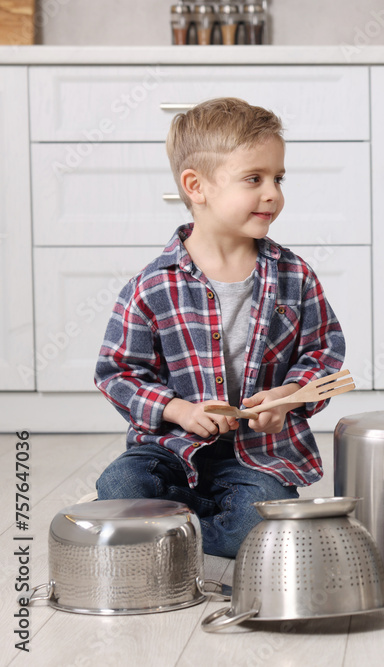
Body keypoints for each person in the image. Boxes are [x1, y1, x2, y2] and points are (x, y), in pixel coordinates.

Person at [94, 97, 346, 558]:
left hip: (257, 454)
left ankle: (171, 538)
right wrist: (178, 410)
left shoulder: (295, 276)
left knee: (256, 523)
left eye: (278, 178)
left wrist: (287, 398)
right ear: (196, 186)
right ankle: (181, 527)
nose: (273, 193)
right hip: (169, 448)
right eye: (254, 179)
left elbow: (323, 354)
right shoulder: (152, 285)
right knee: (119, 483)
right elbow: (116, 373)